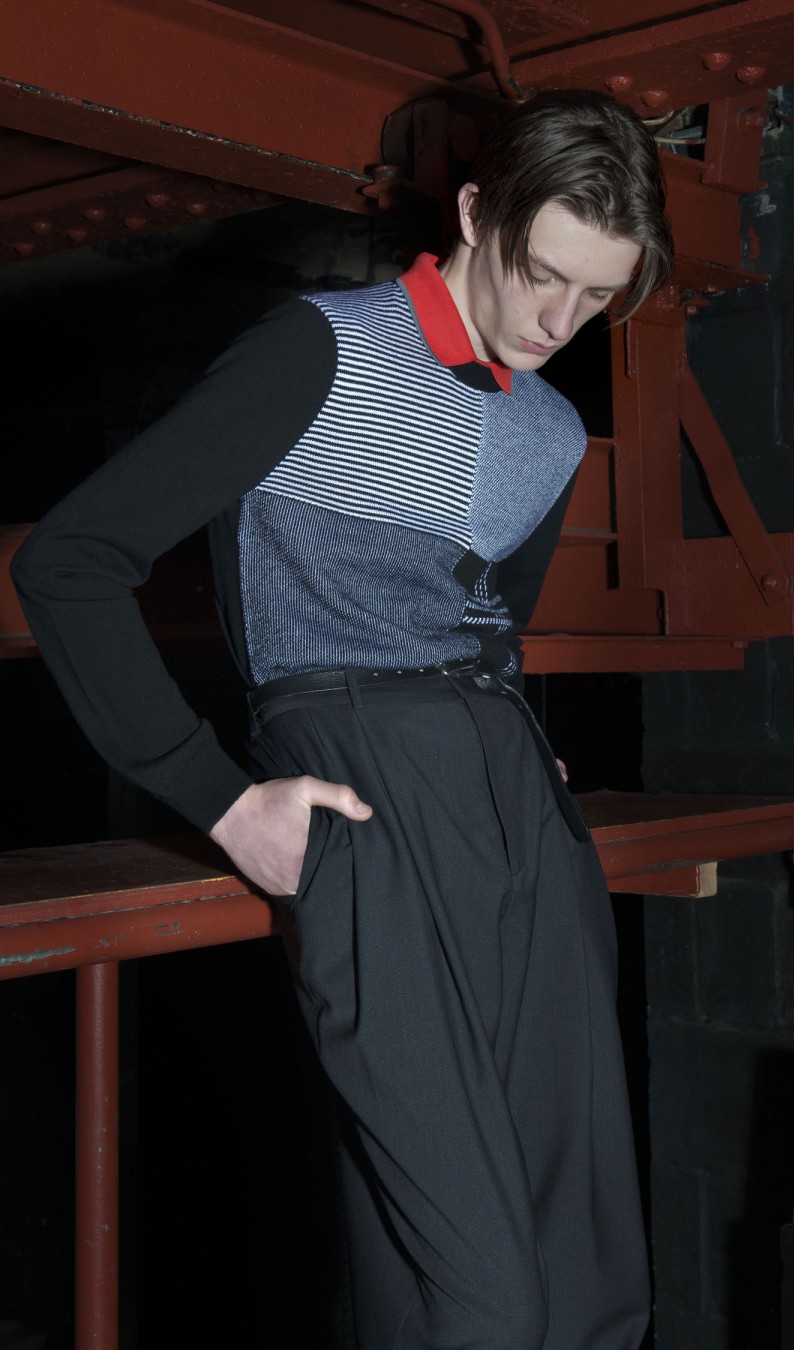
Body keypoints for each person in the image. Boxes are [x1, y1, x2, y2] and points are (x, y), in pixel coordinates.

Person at [14, 88, 673, 1349]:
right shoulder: (318, 350)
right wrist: (215, 796)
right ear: (475, 212)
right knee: (474, 1304)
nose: (558, 321)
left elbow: (492, 624)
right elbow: (71, 561)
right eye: (542, 273)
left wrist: (512, 743)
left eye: (598, 296)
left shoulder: (548, 430)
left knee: (593, 1287)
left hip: (517, 808)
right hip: (359, 786)